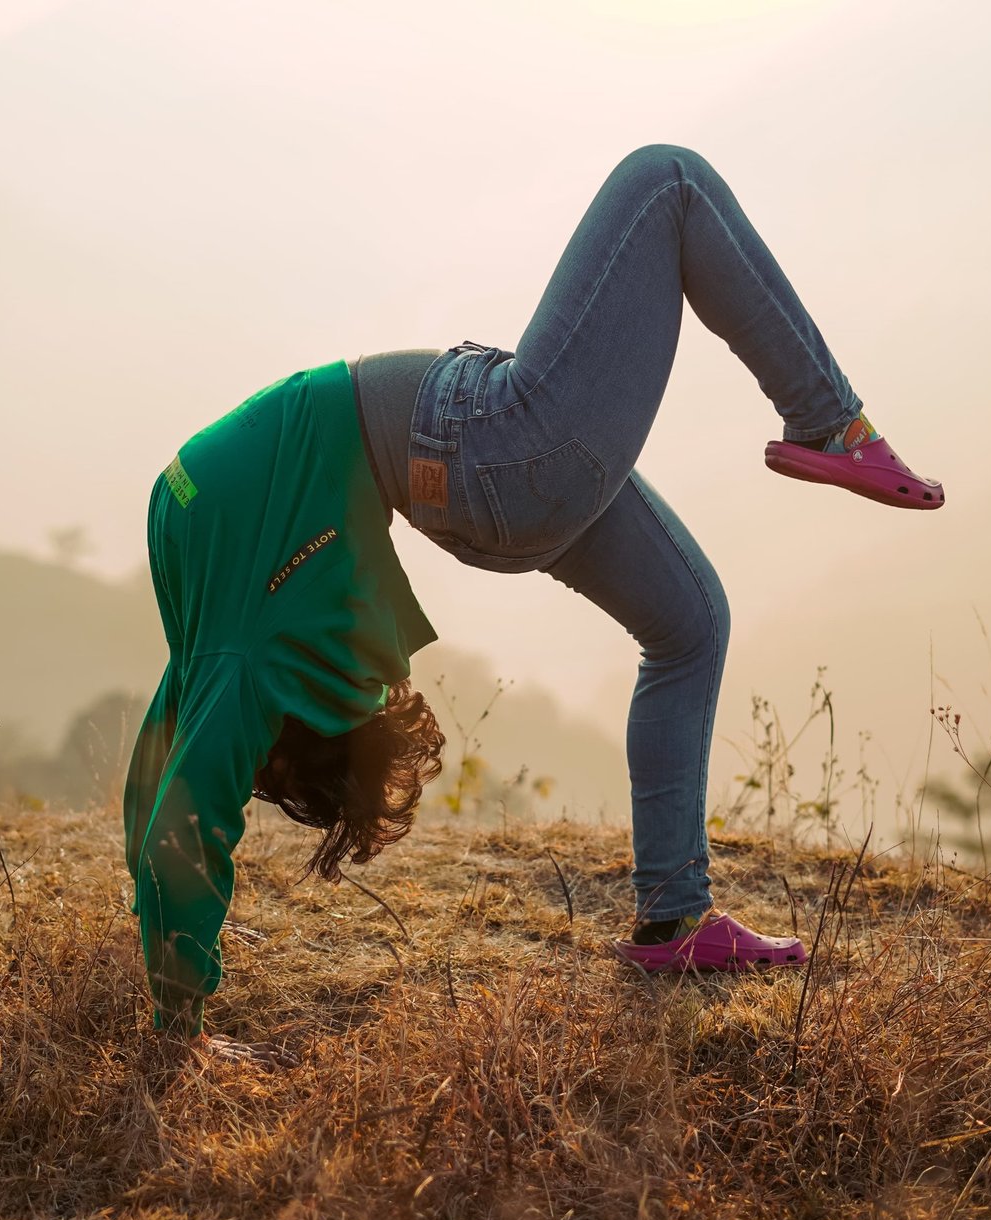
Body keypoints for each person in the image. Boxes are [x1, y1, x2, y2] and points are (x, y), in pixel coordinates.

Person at [124, 143, 944, 1057]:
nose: (386, 687)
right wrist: (179, 1028)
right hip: (496, 454)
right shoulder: (246, 662)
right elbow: (181, 828)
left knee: (690, 623)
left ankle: (674, 921)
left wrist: (164, 981)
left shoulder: (219, 642)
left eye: (376, 704)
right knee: (668, 181)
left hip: (493, 479)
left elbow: (157, 790)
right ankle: (830, 419)